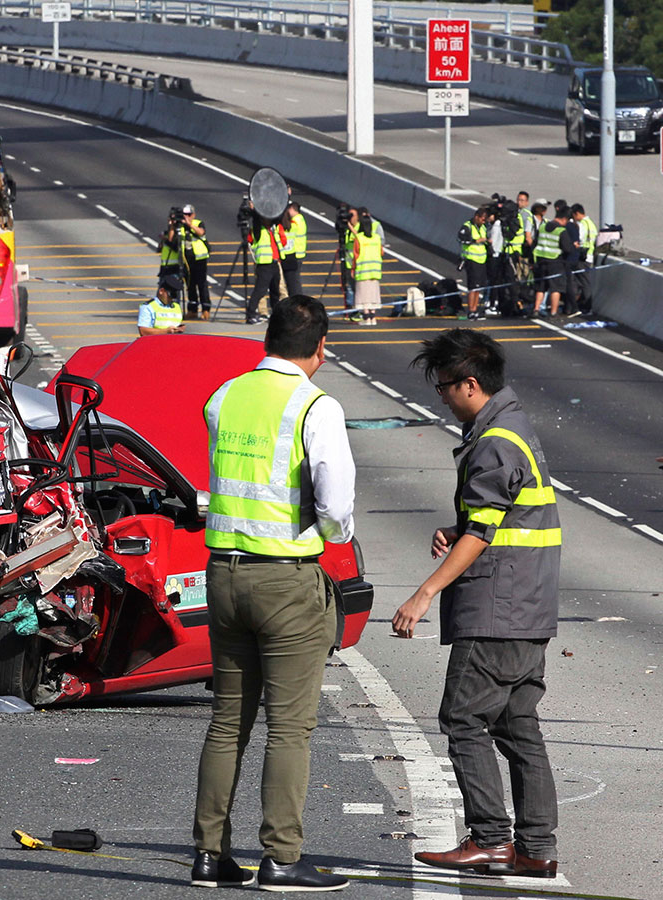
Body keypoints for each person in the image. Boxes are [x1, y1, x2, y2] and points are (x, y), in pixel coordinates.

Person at [192, 295, 354, 893]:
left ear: (267, 340)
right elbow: (335, 504)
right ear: (319, 349)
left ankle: (210, 855)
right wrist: (336, 533)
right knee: (289, 728)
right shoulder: (316, 405)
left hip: (224, 573)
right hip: (285, 580)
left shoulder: (224, 396)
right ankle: (281, 857)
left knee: (227, 721)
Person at [394, 329, 560, 881]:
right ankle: (536, 849)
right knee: (516, 726)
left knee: (462, 718)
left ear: (471, 383)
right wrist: (459, 527)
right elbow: (501, 519)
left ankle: (490, 840)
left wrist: (424, 592)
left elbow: (485, 532)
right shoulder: (514, 429)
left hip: (496, 609)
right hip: (528, 609)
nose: (439, 396)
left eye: (443, 387)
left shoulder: (493, 442)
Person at [174, 204, 212, 320]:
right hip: (186, 260)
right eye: (184, 215)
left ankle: (206, 309)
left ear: (193, 215)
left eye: (189, 214)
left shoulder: (198, 223)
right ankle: (192, 309)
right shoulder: (179, 225)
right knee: (190, 285)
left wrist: (189, 225)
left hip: (199, 259)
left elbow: (201, 232)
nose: (187, 217)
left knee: (201, 284)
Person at [246, 215, 285, 325]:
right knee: (260, 290)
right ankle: (251, 314)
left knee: (275, 291)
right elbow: (256, 221)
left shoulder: (272, 230)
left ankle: (276, 315)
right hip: (264, 265)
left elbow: (279, 218)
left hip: (274, 263)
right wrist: (255, 210)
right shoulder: (258, 230)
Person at [532, 203, 568, 317]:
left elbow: (535, 242)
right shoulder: (560, 231)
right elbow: (568, 248)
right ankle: (553, 311)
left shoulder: (542, 227)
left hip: (541, 260)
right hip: (555, 261)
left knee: (541, 286)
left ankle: (536, 309)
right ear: (564, 219)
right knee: (555, 288)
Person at [350, 209, 383, 326]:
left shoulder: (359, 238)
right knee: (373, 294)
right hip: (374, 271)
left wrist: (353, 269)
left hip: (363, 271)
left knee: (363, 296)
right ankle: (373, 318)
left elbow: (355, 255)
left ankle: (366, 318)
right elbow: (381, 252)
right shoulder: (376, 238)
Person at [458, 208, 489, 320]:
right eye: (482, 219)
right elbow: (461, 239)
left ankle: (475, 309)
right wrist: (477, 240)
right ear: (476, 216)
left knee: (478, 287)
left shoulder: (484, 227)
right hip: (471, 260)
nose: (483, 221)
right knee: (472, 286)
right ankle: (471, 310)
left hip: (482, 260)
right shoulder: (467, 226)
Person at [570, 204, 597, 316]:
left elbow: (579, 239)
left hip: (583, 257)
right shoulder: (591, 223)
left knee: (584, 282)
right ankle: (582, 305)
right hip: (589, 255)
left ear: (577, 214)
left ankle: (586, 306)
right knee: (583, 281)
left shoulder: (583, 224)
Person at [280, 201, 308, 297]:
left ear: (292, 209)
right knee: (294, 281)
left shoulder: (295, 221)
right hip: (298, 253)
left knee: (294, 283)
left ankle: (297, 299)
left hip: (295, 254)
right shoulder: (300, 219)